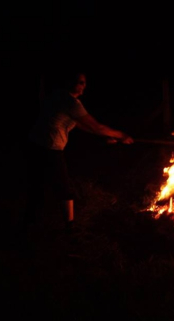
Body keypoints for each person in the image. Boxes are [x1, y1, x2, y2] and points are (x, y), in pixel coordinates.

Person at [22, 70, 133, 236]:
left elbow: (82, 126)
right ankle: (70, 228)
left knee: (37, 187)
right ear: (69, 83)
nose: (83, 86)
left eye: (84, 83)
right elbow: (96, 126)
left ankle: (28, 224)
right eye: (80, 82)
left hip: (35, 145)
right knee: (65, 188)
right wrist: (121, 135)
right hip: (49, 148)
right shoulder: (71, 103)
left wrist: (107, 137)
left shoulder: (57, 96)